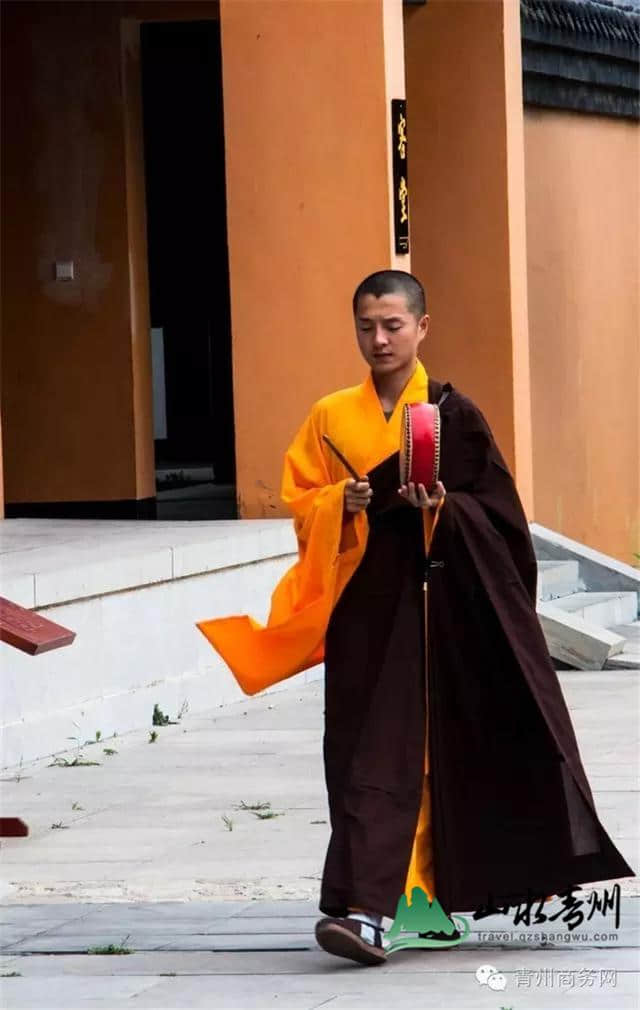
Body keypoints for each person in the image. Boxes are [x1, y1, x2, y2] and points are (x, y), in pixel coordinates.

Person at [196, 270, 634, 968]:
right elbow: (299, 502)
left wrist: (443, 509)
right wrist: (343, 497)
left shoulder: (453, 416)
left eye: (393, 325)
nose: (379, 338)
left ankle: (404, 909)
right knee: (367, 753)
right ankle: (375, 906)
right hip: (369, 612)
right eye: (366, 325)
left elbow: (502, 520)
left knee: (439, 756)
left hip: (448, 614)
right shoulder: (331, 415)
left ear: (422, 327)